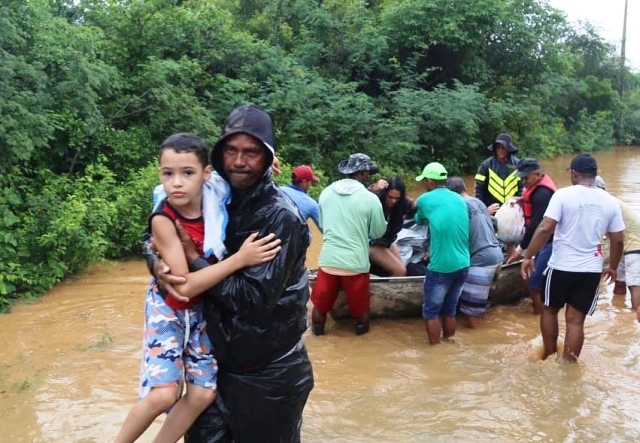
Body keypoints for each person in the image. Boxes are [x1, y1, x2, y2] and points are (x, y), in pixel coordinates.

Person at [147, 105, 314, 442]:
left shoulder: (279, 217)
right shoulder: (211, 193)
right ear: (219, 155)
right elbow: (158, 227)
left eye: (251, 153)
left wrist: (195, 262)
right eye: (232, 151)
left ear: (268, 158)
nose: (240, 161)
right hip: (210, 367)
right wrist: (156, 262)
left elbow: (250, 299)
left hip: (269, 375)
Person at [117, 133, 281, 443]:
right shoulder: (164, 220)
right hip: (170, 308)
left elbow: (237, 170)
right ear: (159, 175)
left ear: (205, 175)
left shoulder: (216, 194)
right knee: (164, 396)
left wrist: (267, 163)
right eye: (168, 174)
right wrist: (239, 260)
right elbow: (185, 287)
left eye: (187, 173)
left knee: (203, 393)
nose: (176, 183)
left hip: (202, 312)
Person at [521, 153, 624, 362]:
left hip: (561, 266)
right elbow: (618, 241)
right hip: (591, 270)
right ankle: (568, 365)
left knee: (549, 310)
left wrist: (528, 255)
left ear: (574, 174)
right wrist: (613, 267)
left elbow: (545, 228)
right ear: (595, 175)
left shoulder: (562, 195)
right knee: (576, 321)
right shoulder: (611, 201)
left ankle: (549, 357)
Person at [310, 153, 387, 336]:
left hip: (328, 261)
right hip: (355, 264)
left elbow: (322, 223)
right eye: (367, 172)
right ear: (361, 173)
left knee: (320, 308)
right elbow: (378, 233)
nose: (368, 176)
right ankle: (361, 341)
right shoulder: (370, 199)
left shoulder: (326, 192)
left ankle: (318, 335)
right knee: (361, 311)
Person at [414, 163, 470, 345]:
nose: (424, 184)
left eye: (424, 181)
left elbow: (418, 219)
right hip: (463, 264)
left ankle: (435, 351)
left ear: (430, 181)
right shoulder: (459, 199)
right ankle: (449, 343)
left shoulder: (425, 199)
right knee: (450, 309)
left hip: (441, 268)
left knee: (431, 311)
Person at [445, 176, 503, 329]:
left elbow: (457, 237)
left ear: (450, 194)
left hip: (480, 261)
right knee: (480, 310)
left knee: (472, 316)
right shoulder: (479, 203)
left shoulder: (457, 207)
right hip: (496, 257)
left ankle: (480, 346)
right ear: (464, 188)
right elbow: (493, 225)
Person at [507, 158, 557, 315]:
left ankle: (540, 316)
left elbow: (536, 226)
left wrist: (520, 250)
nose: (523, 182)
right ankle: (542, 309)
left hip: (549, 242)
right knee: (534, 280)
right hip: (541, 242)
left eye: (525, 178)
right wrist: (523, 200)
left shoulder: (543, 194)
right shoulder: (535, 189)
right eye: (521, 178)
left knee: (534, 283)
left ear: (536, 174)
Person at [595, 176, 640, 323]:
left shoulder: (606, 203)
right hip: (623, 244)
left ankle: (636, 318)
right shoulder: (605, 202)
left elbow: (604, 237)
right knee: (619, 282)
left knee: (634, 284)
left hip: (635, 243)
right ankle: (621, 317)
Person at [368, 177, 417, 276]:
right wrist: (374, 188)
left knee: (402, 267)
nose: (393, 201)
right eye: (390, 197)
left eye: (397, 198)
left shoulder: (402, 205)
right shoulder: (373, 200)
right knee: (399, 270)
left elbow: (413, 207)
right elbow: (359, 197)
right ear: (385, 194)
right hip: (370, 243)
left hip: (387, 241)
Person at [475, 133, 522, 215]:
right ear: (495, 149)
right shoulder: (486, 165)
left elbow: (523, 188)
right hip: (492, 210)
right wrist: (485, 210)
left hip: (512, 209)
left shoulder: (518, 165)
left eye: (503, 148)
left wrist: (519, 203)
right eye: (498, 148)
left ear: (508, 150)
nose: (500, 150)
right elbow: (479, 191)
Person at [281, 165, 322, 231]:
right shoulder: (311, 203)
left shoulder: (278, 190)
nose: (310, 184)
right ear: (304, 181)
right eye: (310, 181)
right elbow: (324, 229)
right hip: (290, 239)